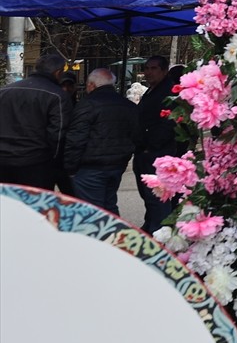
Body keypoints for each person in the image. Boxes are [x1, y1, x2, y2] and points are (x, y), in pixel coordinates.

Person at [63, 68, 137, 214]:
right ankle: (114, 234)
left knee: (92, 211)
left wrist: (69, 168)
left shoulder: (87, 104)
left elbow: (76, 139)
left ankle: (97, 236)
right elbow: (136, 135)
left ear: (91, 85)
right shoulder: (128, 106)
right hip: (117, 164)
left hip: (90, 167)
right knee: (109, 205)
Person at [0, 51, 72, 189]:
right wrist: (55, 163)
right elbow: (58, 135)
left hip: (3, 159)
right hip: (35, 163)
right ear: (58, 72)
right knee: (33, 206)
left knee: (6, 206)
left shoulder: (4, 91)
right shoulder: (57, 95)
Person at [135, 56, 186, 233]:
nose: (148, 72)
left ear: (164, 71)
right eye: (146, 68)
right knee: (150, 199)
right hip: (145, 152)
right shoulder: (152, 90)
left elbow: (170, 123)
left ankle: (160, 234)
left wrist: (151, 144)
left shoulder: (169, 92)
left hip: (158, 154)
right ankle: (151, 226)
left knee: (158, 200)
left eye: (153, 68)